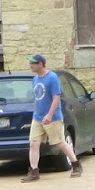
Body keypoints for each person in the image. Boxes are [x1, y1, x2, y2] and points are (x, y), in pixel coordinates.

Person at [21, 54, 81, 182]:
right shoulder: (35, 79)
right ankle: (34, 171)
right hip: (37, 118)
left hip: (53, 118)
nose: (30, 65)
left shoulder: (52, 78)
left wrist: (49, 114)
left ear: (41, 64)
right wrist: (36, 113)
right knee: (34, 144)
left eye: (33, 63)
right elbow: (38, 99)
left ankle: (76, 165)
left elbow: (56, 98)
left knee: (60, 143)